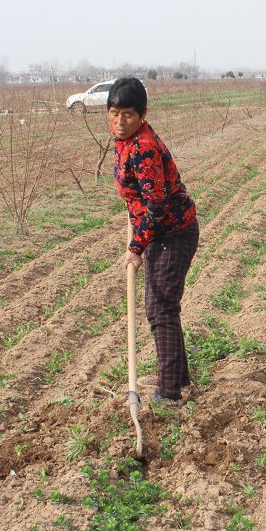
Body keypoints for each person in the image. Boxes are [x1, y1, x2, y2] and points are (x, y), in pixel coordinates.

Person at [110, 77, 199, 407]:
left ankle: (169, 394)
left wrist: (136, 249)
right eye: (114, 112)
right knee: (162, 307)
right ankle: (178, 379)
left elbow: (158, 206)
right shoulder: (126, 142)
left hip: (173, 232)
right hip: (158, 233)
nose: (120, 121)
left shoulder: (143, 148)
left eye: (129, 115)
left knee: (160, 308)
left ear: (143, 115)